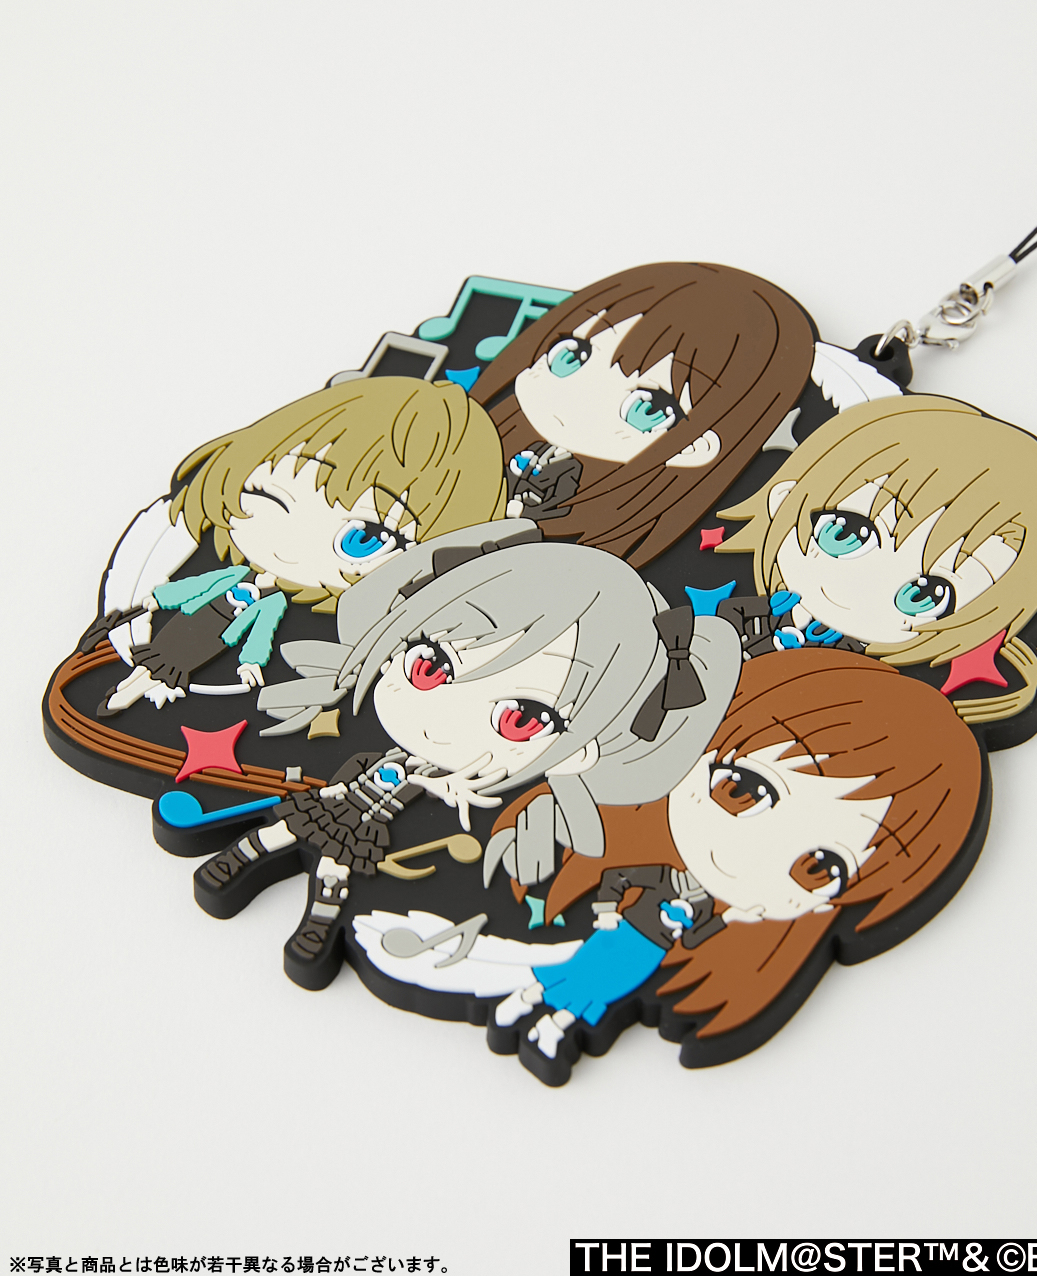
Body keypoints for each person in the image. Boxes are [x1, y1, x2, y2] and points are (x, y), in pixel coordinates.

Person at [354, 650, 982, 1081]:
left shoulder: (720, 925)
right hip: (619, 936)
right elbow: (624, 881)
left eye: (819, 868)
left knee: (585, 990)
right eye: (742, 790)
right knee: (572, 978)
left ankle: (544, 1012)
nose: (747, 848)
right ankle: (528, 999)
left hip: (640, 955)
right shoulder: (619, 842)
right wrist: (608, 911)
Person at [196, 521, 742, 985]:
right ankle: (239, 860)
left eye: (521, 719)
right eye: (430, 664)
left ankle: (318, 920)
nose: (443, 721)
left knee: (337, 866)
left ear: (579, 754)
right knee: (288, 831)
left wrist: (448, 787)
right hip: (346, 803)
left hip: (371, 828)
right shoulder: (385, 757)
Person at [92, 376, 507, 715]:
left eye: (363, 539)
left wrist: (251, 663)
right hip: (184, 626)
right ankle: (126, 693)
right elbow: (192, 588)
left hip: (207, 646)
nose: (293, 545)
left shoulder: (276, 604)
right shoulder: (232, 574)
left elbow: (261, 633)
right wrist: (154, 601)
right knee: (154, 664)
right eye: (269, 498)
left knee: (164, 671)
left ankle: (130, 694)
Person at [715, 395, 1037, 724]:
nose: (864, 587)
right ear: (784, 499)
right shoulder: (736, 617)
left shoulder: (869, 688)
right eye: (845, 534)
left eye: (924, 595)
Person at [469, 262, 817, 569]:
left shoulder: (595, 553)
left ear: (696, 446)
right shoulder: (468, 443)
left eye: (646, 406)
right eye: (572, 354)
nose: (578, 396)